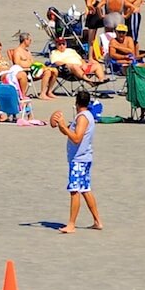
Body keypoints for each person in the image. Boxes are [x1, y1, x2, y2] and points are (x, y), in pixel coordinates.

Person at [49, 90, 100, 234]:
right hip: (82, 158)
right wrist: (61, 125)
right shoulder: (85, 115)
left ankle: (71, 224)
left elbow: (77, 138)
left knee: (74, 190)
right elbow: (71, 134)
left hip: (80, 159)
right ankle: (97, 221)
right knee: (85, 189)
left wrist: (64, 126)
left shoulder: (82, 118)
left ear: (77, 102)